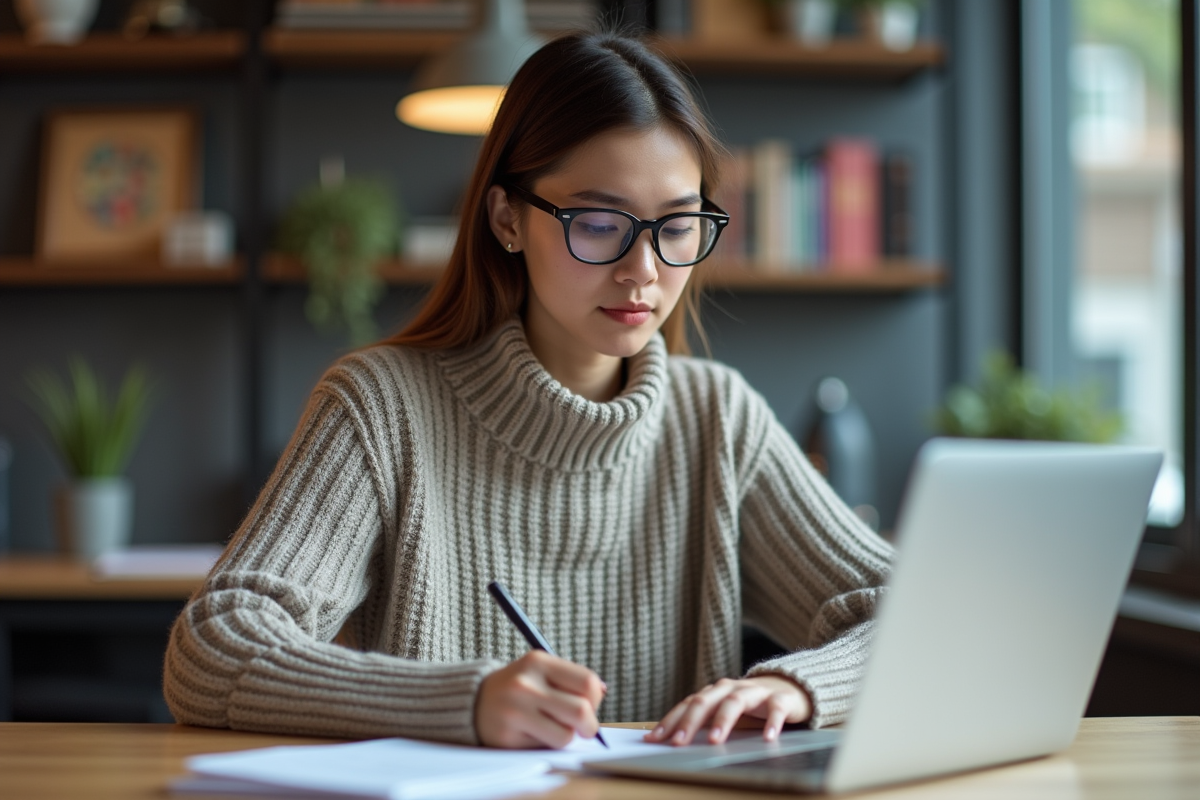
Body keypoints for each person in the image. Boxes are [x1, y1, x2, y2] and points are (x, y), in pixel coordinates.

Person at [163, 28, 892, 751]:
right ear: (508, 218)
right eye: (600, 223)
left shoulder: (718, 418)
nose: (643, 270)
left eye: (676, 225)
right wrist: (461, 702)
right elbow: (211, 651)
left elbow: (927, 614)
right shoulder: (381, 405)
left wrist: (800, 687)